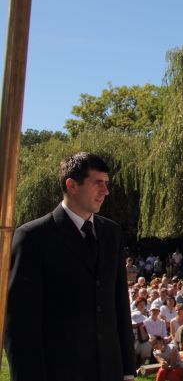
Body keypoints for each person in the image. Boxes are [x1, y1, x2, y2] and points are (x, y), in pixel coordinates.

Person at [6, 152, 136, 381]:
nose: (106, 191)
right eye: (98, 183)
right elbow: (20, 323)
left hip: (109, 370)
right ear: (72, 185)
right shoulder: (33, 237)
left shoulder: (112, 233)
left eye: (106, 184)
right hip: (59, 371)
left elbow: (119, 304)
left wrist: (127, 370)